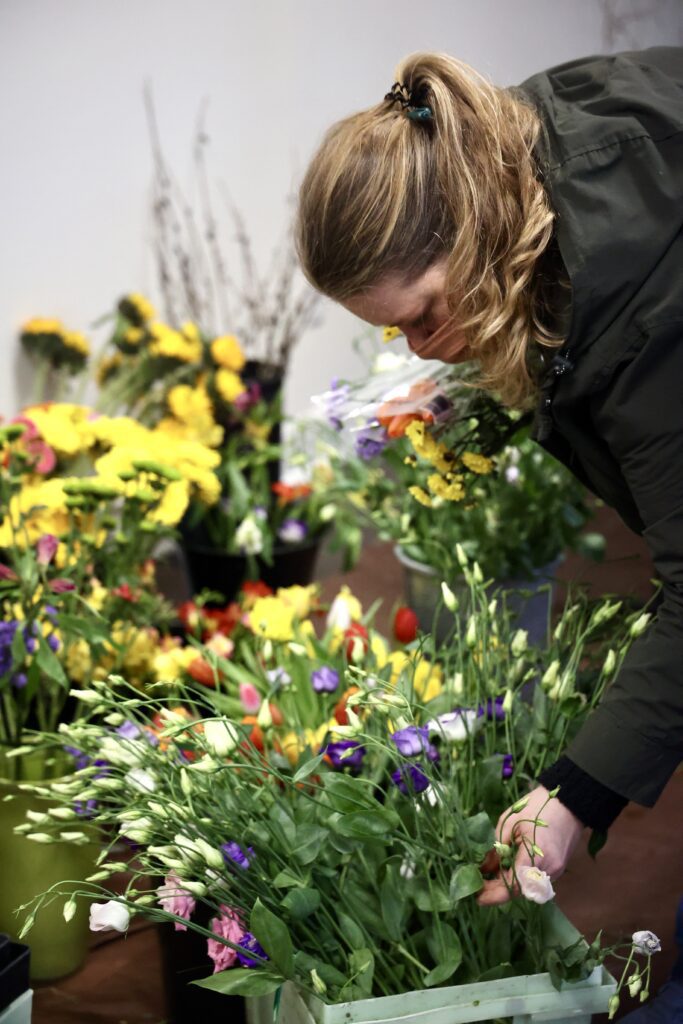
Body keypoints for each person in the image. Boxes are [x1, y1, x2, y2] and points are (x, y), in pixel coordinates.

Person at [296, 47, 683, 1019]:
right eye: (395, 333)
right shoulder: (507, 144)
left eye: (423, 315)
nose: (419, 348)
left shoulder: (641, 310)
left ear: (469, 232)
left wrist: (572, 796)